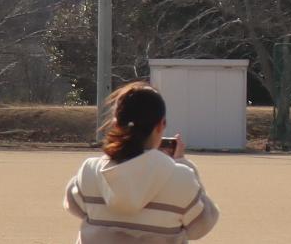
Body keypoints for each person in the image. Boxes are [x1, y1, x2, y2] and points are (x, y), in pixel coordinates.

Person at [65, 81, 220, 241]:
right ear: (161, 125)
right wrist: (181, 163)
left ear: (115, 124)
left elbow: (73, 206)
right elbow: (202, 225)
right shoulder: (181, 177)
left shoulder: (90, 170)